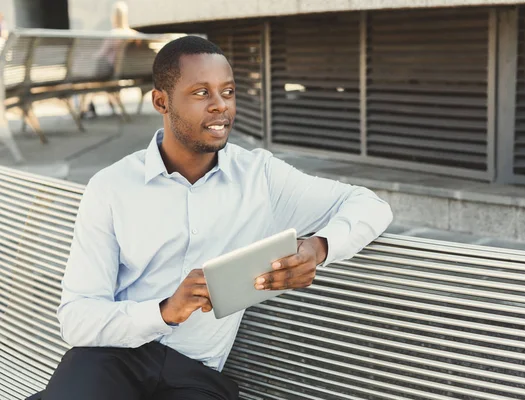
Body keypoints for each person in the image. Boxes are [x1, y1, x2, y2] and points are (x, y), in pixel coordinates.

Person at [39, 35, 393, 400]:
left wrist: (318, 247)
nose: (220, 106)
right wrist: (163, 312)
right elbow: (77, 318)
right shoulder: (111, 187)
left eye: (228, 91)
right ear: (161, 101)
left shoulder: (261, 177)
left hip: (195, 374)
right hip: (112, 359)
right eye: (201, 93)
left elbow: (370, 205)